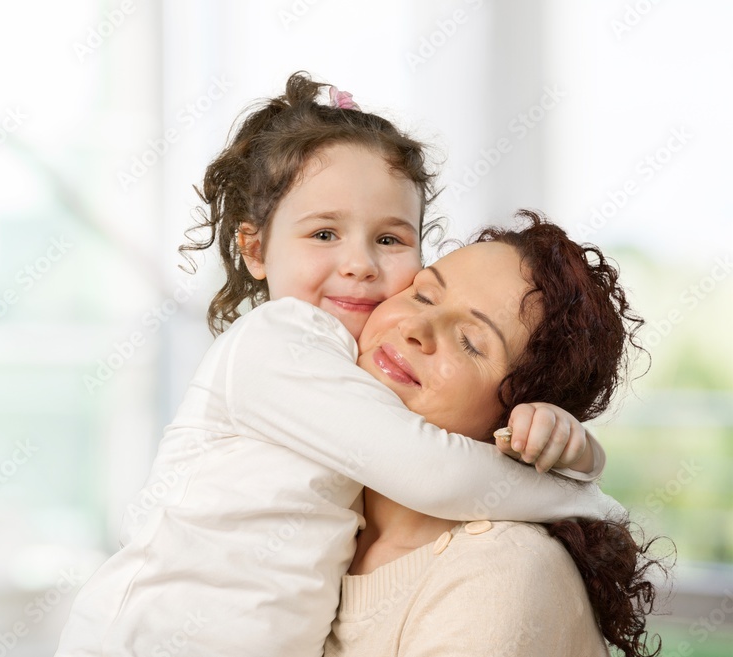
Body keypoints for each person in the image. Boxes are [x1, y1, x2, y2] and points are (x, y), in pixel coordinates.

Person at [55, 74, 621, 657]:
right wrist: (584, 494)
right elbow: (433, 471)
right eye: (324, 232)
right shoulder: (278, 343)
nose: (358, 264)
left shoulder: (489, 566)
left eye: (390, 239)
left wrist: (572, 447)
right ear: (255, 250)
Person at [325, 213, 663, 657]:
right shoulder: (325, 511)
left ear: (519, 413)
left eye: (470, 342)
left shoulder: (500, 571)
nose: (414, 329)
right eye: (424, 295)